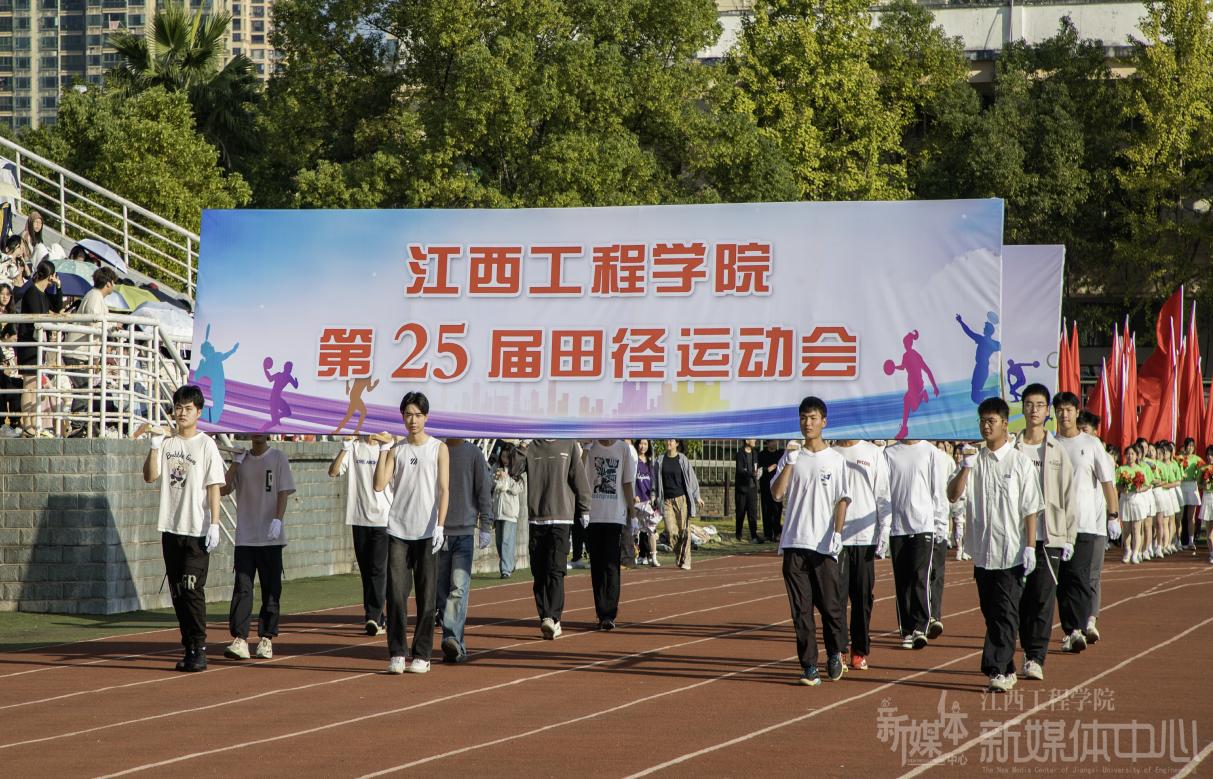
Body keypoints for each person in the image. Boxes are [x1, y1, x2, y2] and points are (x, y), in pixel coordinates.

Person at [947, 397, 1043, 693]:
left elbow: (1030, 508)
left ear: (1004, 423)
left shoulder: (1019, 462)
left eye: (991, 421)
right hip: (982, 552)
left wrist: (1030, 546)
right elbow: (952, 495)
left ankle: (997, 669)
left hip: (1011, 552)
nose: (986, 426)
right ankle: (1008, 667)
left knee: (1005, 612)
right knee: (991, 613)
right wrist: (965, 468)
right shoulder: (974, 461)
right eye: (982, 421)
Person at [139, 385, 226, 672]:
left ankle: (199, 647)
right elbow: (150, 476)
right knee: (177, 591)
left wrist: (215, 523)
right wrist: (154, 446)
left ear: (198, 412)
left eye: (188, 408)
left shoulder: (206, 445)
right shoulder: (167, 443)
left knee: (191, 587)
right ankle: (188, 646)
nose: (182, 413)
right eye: (178, 407)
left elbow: (214, 486)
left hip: (197, 529)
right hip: (171, 527)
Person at [773, 396, 851, 686]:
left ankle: (834, 652)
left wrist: (838, 533)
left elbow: (842, 500)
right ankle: (808, 665)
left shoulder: (836, 460)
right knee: (801, 610)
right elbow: (776, 494)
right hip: (794, 543)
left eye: (813, 418)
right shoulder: (791, 456)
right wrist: (789, 463)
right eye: (804, 418)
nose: (808, 423)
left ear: (824, 422)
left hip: (823, 545)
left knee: (830, 607)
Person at [372, 391, 450, 675]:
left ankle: (422, 654)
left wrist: (440, 525)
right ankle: (397, 652)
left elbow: (444, 489)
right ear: (402, 417)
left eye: (417, 415)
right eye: (408, 415)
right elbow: (379, 484)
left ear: (426, 417)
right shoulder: (398, 449)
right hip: (398, 530)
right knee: (395, 595)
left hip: (427, 533)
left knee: (427, 598)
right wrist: (384, 450)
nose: (413, 420)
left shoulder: (439, 448)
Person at [1012, 384, 1076, 680]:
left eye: (1040, 405)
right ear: (1022, 408)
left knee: (1042, 598)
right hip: (1014, 536)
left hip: (1048, 536)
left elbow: (1068, 495)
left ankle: (1034, 656)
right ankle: (1025, 647)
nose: (1034, 410)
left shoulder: (1056, 450)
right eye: (1029, 404)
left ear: (1047, 411)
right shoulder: (1012, 448)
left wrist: (1069, 537)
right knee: (1018, 600)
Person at [221, 434, 296, 661]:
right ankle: (240, 638)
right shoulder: (241, 459)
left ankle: (266, 638)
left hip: (271, 537)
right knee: (242, 588)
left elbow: (283, 491)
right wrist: (236, 463)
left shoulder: (278, 457)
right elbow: (223, 489)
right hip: (246, 537)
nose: (258, 434)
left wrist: (278, 519)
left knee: (271, 589)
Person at [1053, 392, 1119, 648]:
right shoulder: (1050, 444)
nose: (1064, 414)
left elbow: (1107, 482)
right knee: (1061, 581)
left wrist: (1113, 515)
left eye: (1069, 409)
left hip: (1085, 523)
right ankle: (1072, 630)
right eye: (1060, 410)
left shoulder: (1092, 444)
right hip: (1056, 525)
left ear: (1076, 412)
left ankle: (1077, 628)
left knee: (1079, 577)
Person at [506, 437, 590, 639]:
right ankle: (545, 617)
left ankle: (554, 618)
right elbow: (514, 470)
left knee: (555, 569)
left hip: (561, 518)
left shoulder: (569, 444)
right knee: (539, 572)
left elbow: (578, 477)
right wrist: (523, 446)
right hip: (537, 519)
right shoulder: (532, 445)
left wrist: (585, 507)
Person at [883, 437, 949, 649]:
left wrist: (940, 524)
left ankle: (920, 627)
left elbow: (938, 492)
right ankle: (906, 630)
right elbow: (884, 492)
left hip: (923, 525)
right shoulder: (889, 453)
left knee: (920, 577)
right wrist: (884, 526)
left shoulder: (930, 452)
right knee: (902, 582)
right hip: (898, 527)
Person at [831, 438, 890, 671]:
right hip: (837, 537)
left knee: (862, 597)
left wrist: (885, 529)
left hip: (865, 537)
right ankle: (839, 650)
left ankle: (859, 649)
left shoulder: (872, 452)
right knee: (836, 597)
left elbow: (883, 494)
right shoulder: (831, 452)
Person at [436, 437, 493, 664]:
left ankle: (451, 638)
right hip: (438, 533)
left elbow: (483, 490)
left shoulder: (474, 454)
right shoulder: (435, 450)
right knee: (440, 592)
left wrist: (486, 525)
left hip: (464, 532)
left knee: (458, 589)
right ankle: (456, 644)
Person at [329, 435, 393, 635]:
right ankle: (376, 617)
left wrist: (384, 441)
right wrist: (345, 446)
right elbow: (333, 471)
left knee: (377, 569)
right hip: (358, 518)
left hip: (383, 519)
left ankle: (373, 616)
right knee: (366, 571)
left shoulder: (388, 447)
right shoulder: (355, 447)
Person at [583, 439, 638, 630]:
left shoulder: (623, 449)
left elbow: (627, 482)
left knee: (612, 565)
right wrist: (585, 449)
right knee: (597, 566)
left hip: (615, 516)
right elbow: (579, 475)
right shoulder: (591, 447)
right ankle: (601, 612)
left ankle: (609, 613)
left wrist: (632, 513)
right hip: (593, 515)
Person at [62, 266, 118, 436]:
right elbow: (95, 322)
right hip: (77, 352)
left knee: (85, 389)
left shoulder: (95, 296)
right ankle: (77, 426)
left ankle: (83, 425)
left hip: (81, 351)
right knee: (83, 389)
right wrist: (113, 325)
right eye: (113, 282)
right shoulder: (94, 296)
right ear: (108, 283)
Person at [16, 259, 62, 437]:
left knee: (35, 385)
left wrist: (59, 287)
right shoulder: (32, 292)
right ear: (50, 276)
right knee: (29, 384)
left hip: (38, 345)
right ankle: (26, 423)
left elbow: (57, 307)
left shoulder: (43, 293)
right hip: (29, 344)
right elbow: (38, 317)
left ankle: (33, 423)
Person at [653, 439, 704, 571]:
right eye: (667, 440)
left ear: (676, 444)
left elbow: (691, 478)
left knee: (684, 530)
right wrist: (653, 496)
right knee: (671, 531)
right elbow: (655, 481)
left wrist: (697, 496)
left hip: (681, 499)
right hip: (666, 501)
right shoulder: (659, 460)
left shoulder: (682, 459)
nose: (669, 442)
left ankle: (686, 560)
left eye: (672, 440)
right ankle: (679, 554)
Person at [491, 444, 526, 578]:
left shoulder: (516, 471)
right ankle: (510, 563)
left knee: (506, 541)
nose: (504, 459)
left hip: (510, 512)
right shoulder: (496, 468)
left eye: (507, 457)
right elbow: (491, 484)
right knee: (499, 542)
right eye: (503, 456)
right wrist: (496, 478)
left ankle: (505, 570)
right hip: (498, 511)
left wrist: (507, 478)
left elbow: (517, 489)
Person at [1116, 444, 1153, 565]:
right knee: (1126, 529)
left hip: (1137, 499)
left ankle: (1136, 553)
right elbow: (1116, 484)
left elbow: (1148, 485)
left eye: (1132, 454)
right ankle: (1127, 551)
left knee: (1136, 528)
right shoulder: (1121, 469)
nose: (1130, 456)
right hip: (1125, 499)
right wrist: (1122, 489)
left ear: (1137, 456)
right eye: (1128, 454)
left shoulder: (1141, 469)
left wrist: (1139, 489)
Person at [633, 438, 659, 566]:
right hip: (636, 501)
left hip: (648, 501)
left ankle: (652, 556)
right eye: (640, 443)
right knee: (635, 529)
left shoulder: (650, 463)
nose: (642, 446)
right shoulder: (633, 460)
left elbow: (654, 481)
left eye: (645, 444)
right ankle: (636, 555)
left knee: (651, 528)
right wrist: (633, 494)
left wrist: (653, 497)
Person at [734, 438, 763, 542]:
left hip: (752, 487)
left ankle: (754, 535)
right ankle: (738, 534)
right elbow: (740, 470)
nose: (755, 440)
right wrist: (751, 473)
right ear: (747, 440)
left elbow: (757, 466)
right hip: (742, 488)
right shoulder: (740, 454)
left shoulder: (755, 453)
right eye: (752, 439)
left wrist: (758, 473)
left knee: (753, 512)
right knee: (740, 512)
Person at [1178, 438, 1203, 550]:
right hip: (1182, 485)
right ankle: (1178, 540)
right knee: (1179, 516)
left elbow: (1203, 471)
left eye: (1192, 446)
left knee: (1191, 516)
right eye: (1188, 445)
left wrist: (1198, 476)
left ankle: (1191, 541)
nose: (1190, 448)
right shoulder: (1180, 458)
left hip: (1192, 485)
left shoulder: (1198, 459)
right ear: (1185, 447)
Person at [757, 439, 784, 542]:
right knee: (766, 509)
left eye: (776, 441)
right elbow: (758, 469)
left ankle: (777, 532)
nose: (774, 443)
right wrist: (767, 469)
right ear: (767, 443)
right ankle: (767, 533)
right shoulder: (762, 455)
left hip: (778, 485)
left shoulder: (780, 454)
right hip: (765, 485)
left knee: (777, 509)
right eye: (772, 441)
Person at [0, 323, 20, 436]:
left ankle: (14, 423)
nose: (15, 342)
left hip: (12, 377)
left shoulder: (11, 348)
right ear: (7, 336)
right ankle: (8, 424)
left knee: (20, 385)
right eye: (14, 339)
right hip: (4, 378)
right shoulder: (1, 347)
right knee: (14, 389)